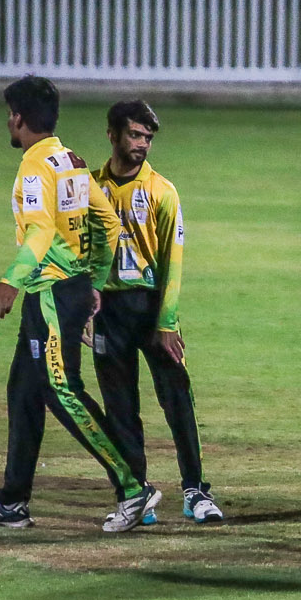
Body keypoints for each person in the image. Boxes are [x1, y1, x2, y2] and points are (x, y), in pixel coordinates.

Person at [0, 76, 155, 533]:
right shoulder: (70, 160)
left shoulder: (35, 167)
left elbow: (40, 230)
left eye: (8, 115)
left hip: (50, 293)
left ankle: (134, 487)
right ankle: (12, 501)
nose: (7, 123)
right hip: (68, 288)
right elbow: (108, 222)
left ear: (18, 118)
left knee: (62, 389)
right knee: (24, 392)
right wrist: (94, 280)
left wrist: (10, 281)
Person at [90, 100, 222, 524]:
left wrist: (166, 323)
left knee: (177, 398)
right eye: (134, 135)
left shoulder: (162, 191)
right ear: (112, 134)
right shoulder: (89, 187)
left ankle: (195, 491)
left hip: (151, 308)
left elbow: (172, 261)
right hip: (107, 311)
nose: (142, 144)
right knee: (120, 406)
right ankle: (136, 493)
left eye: (147, 137)